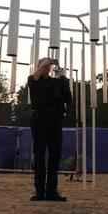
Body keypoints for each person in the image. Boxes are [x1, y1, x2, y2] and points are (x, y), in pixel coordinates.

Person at [27, 57, 71, 201]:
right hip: (39, 122)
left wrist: (63, 77)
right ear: (39, 67)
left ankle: (52, 192)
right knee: (39, 156)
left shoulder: (58, 82)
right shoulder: (33, 80)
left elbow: (68, 98)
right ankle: (39, 192)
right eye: (44, 66)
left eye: (48, 66)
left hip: (55, 122)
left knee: (54, 156)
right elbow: (35, 77)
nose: (47, 68)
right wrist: (46, 62)